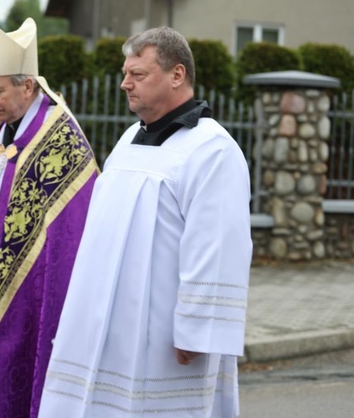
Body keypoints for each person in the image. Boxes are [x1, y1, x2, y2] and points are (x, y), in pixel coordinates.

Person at [39, 26, 253, 417]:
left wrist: (197, 328)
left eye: (137, 75)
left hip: (165, 336)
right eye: (125, 74)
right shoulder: (127, 141)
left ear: (177, 75)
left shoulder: (212, 150)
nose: (125, 84)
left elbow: (218, 243)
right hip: (106, 324)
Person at [0, 18, 99, 417]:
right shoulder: (5, 129)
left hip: (28, 290)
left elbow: (70, 234)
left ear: (26, 86)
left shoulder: (61, 140)